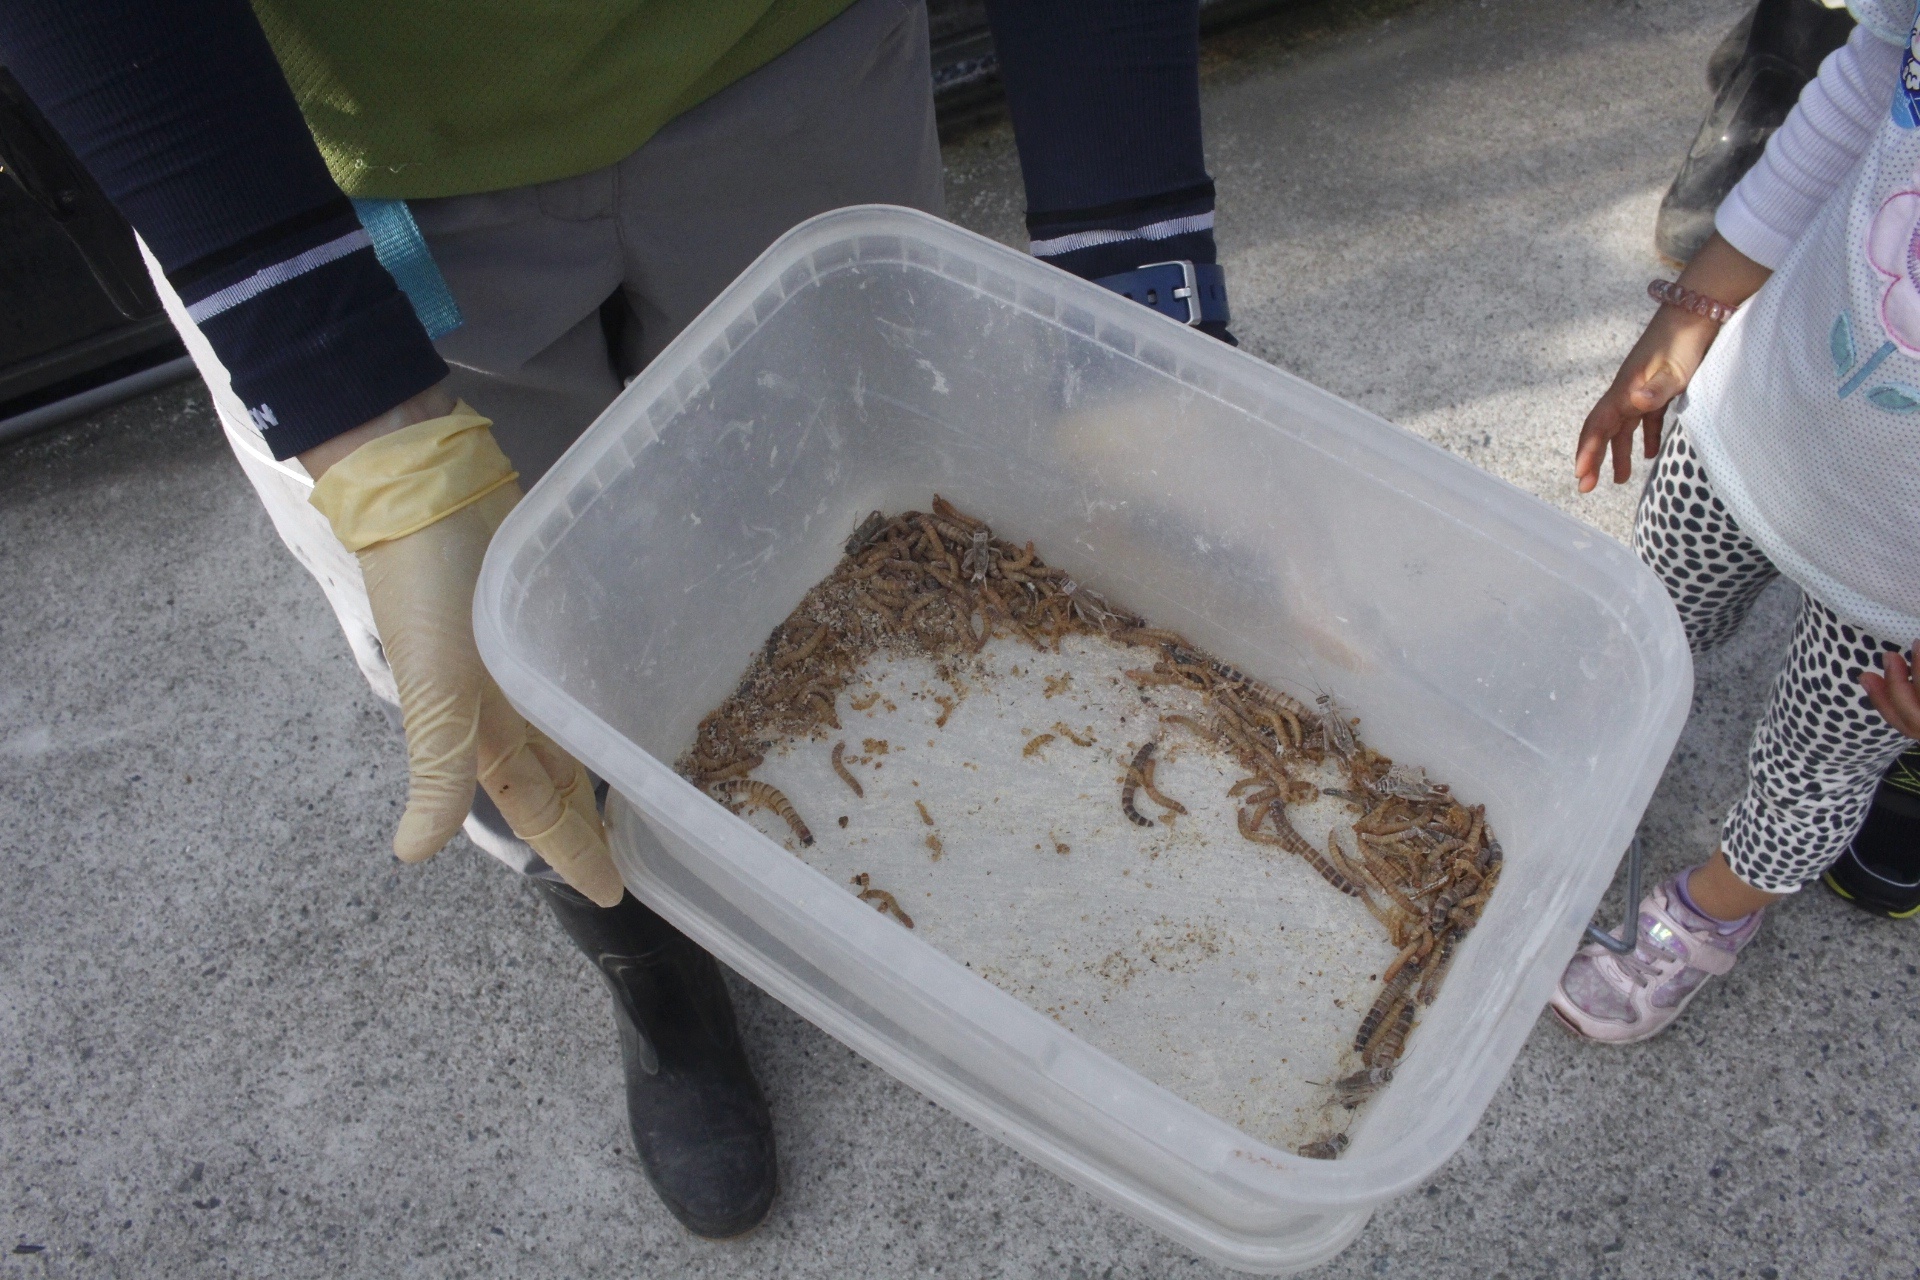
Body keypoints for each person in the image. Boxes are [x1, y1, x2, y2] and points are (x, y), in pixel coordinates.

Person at [0, 0, 1232, 1238]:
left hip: (795, 67)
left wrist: (1135, 310)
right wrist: (354, 411)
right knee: (502, 669)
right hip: (327, 161)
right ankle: (647, 962)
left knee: (851, 520)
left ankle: (893, 852)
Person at [1553, 0, 1920, 1042]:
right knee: (1656, 605)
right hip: (1761, 407)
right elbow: (1869, 71)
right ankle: (1603, 748)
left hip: (1904, 574)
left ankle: (1719, 906)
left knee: (1821, 755)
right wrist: (1692, 309)